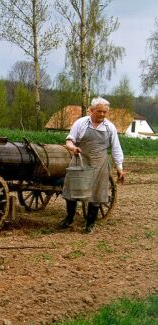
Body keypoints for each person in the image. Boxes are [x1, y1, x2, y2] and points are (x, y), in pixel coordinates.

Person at [58, 97, 125, 233]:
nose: (102, 114)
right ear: (91, 110)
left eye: (105, 112)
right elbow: (69, 140)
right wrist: (72, 148)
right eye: (99, 111)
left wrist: (120, 168)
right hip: (80, 161)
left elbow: (116, 148)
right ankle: (69, 219)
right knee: (71, 191)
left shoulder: (109, 127)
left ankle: (90, 223)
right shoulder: (81, 123)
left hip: (99, 164)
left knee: (96, 194)